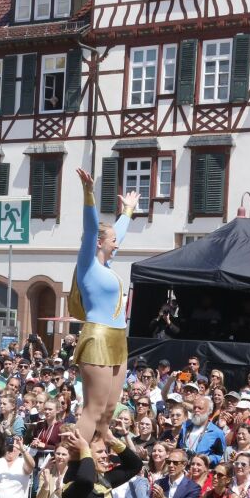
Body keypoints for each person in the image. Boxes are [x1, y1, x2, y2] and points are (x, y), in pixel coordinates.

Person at [69, 169, 139, 443]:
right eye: (112, 241)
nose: (117, 243)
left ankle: (98, 450)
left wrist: (129, 211)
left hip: (118, 338)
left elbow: (117, 231)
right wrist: (89, 193)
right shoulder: (88, 266)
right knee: (94, 409)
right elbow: (90, 228)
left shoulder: (107, 266)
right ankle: (73, 460)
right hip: (97, 336)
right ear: (99, 243)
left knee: (110, 408)